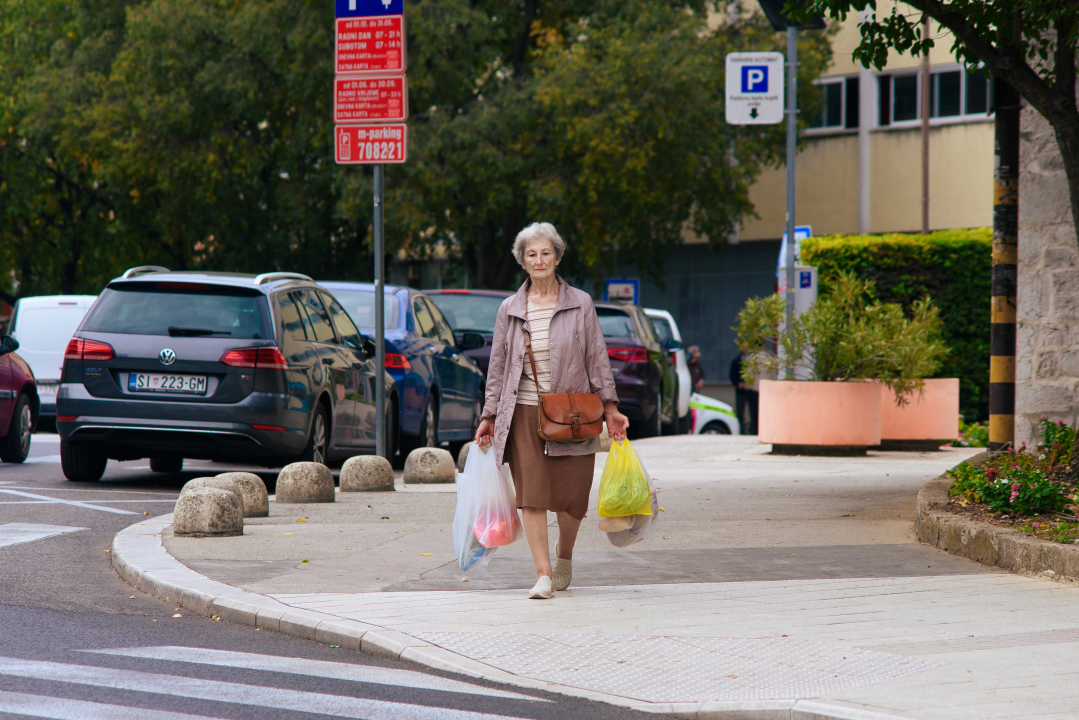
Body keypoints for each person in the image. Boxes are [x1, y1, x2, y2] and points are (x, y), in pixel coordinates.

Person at [475, 222, 629, 600]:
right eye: (531, 254)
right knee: (532, 494)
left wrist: (610, 407)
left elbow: (597, 358)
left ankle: (565, 554)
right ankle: (542, 574)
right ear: (522, 262)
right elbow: (497, 365)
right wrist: (489, 414)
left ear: (557, 257)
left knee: (573, 498)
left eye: (546, 253)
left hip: (574, 412)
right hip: (524, 411)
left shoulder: (580, 303)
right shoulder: (509, 309)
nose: (539, 260)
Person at [729, 344, 759, 435]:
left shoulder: (753, 361)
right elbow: (732, 375)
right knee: (740, 413)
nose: (745, 349)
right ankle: (741, 432)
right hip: (740, 391)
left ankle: (754, 431)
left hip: (751, 390)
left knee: (754, 412)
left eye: (747, 347)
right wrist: (738, 383)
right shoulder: (736, 361)